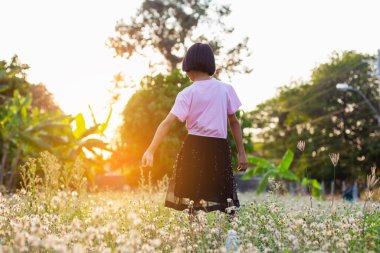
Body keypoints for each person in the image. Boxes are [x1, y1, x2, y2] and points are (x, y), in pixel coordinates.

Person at [141, 43, 248, 214]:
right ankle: (231, 237)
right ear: (210, 65)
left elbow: (167, 123)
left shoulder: (187, 93)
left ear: (188, 68)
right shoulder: (225, 89)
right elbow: (234, 123)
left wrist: (150, 150)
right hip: (218, 148)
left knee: (193, 200)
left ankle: (195, 235)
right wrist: (241, 153)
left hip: (194, 148)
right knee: (226, 199)